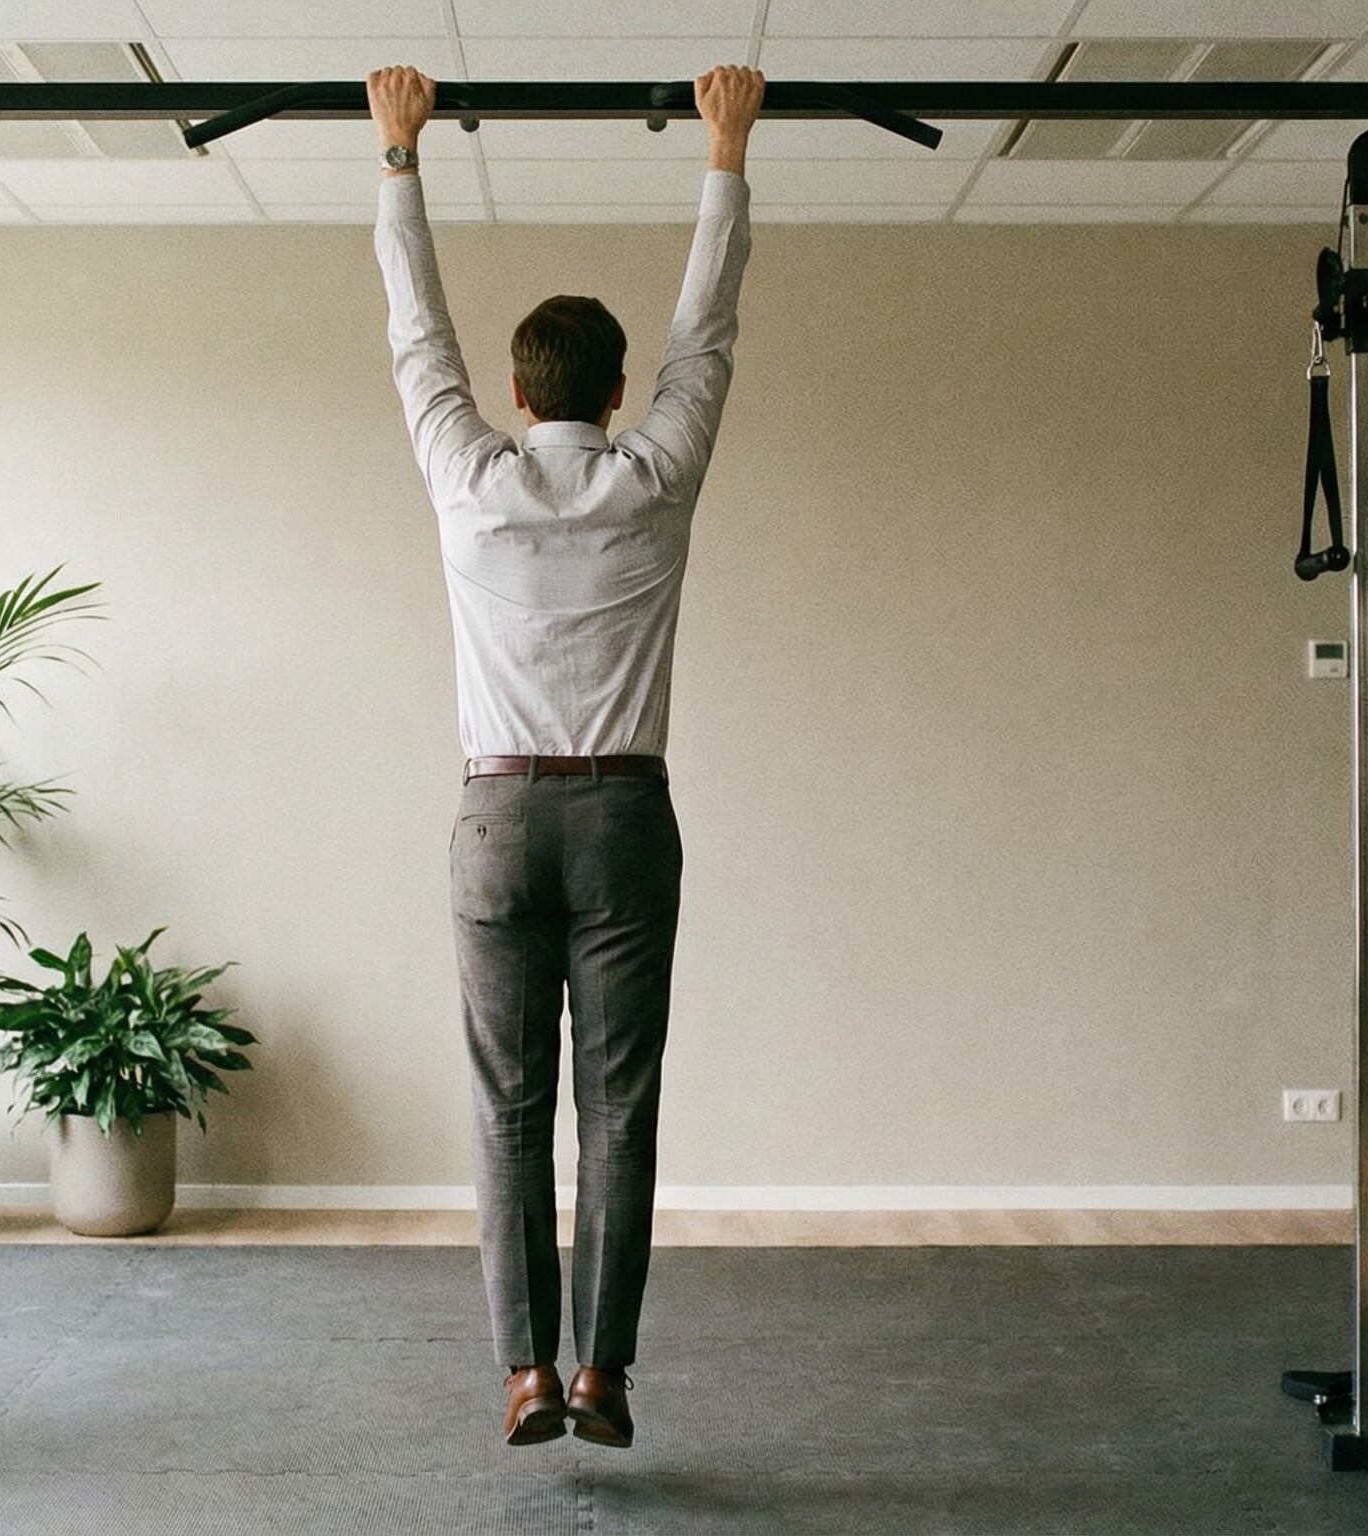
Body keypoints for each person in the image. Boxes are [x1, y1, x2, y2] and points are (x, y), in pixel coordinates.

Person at [367, 62, 760, 1450]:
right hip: (624, 821)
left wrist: (400, 159)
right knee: (619, 1109)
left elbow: (419, 339)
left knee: (505, 1108)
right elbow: (705, 337)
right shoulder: (654, 480)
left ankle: (524, 1373)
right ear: (614, 392)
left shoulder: (468, 485)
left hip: (496, 822)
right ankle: (603, 1373)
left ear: (521, 394)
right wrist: (725, 152)